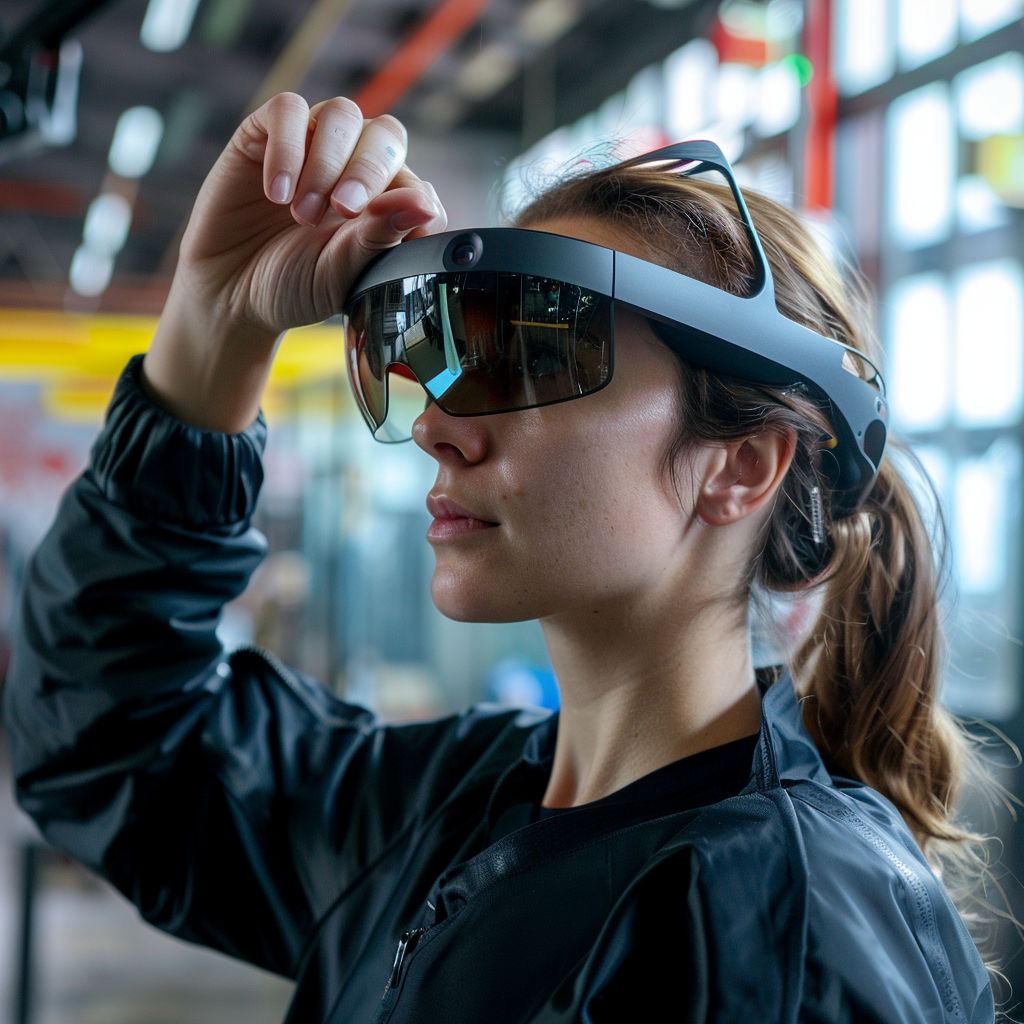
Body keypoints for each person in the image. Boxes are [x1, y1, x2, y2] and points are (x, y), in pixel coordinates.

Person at [4, 92, 995, 1023]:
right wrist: (215, 322)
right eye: (441, 361)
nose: (437, 425)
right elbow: (112, 737)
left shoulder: (786, 933)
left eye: (527, 357)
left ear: (739, 466)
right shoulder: (446, 811)